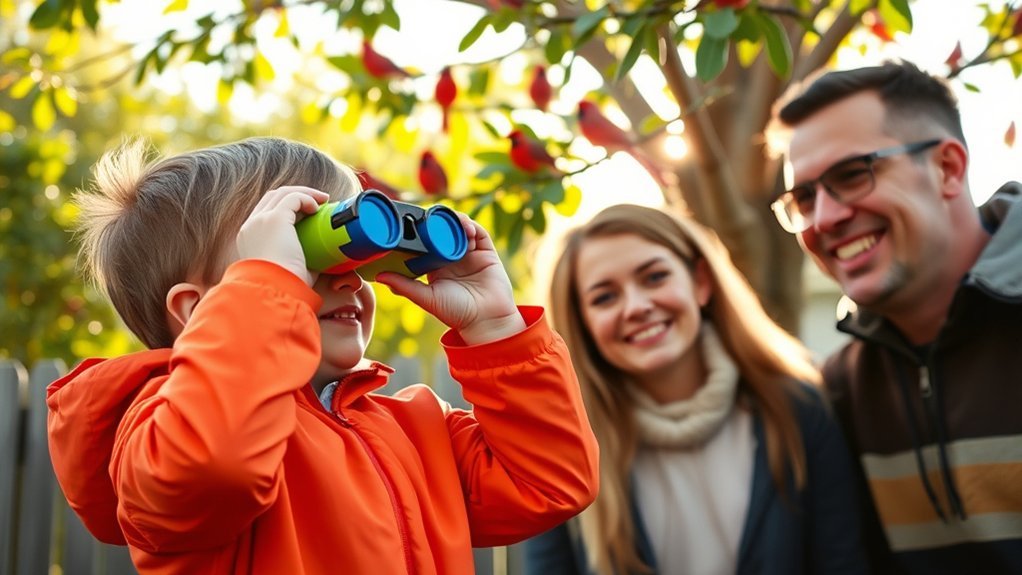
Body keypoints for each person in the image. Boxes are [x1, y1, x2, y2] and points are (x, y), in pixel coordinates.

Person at [46, 136, 599, 574]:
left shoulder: (414, 429)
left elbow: (550, 483)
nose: (345, 281)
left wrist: (496, 327)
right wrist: (271, 286)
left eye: (349, 255)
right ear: (197, 310)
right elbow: (215, 465)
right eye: (306, 255)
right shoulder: (159, 433)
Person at [767, 59, 1022, 574]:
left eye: (852, 175)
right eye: (805, 197)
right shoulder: (837, 393)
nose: (826, 219)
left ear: (947, 168)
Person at [523, 204, 868, 575]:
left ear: (701, 282)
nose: (637, 307)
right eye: (604, 297)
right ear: (582, 322)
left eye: (654, 277)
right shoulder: (561, 453)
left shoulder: (800, 408)